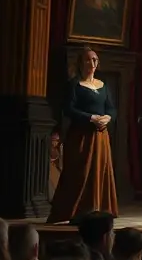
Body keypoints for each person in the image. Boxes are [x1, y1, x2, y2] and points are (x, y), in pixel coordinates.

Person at [47, 47, 119, 223]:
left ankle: (98, 210)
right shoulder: (74, 84)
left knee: (99, 171)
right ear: (80, 63)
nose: (92, 63)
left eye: (95, 60)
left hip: (101, 136)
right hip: (81, 135)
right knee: (79, 172)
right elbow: (68, 109)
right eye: (88, 60)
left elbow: (111, 107)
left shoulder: (103, 85)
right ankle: (75, 211)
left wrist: (108, 118)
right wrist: (91, 118)